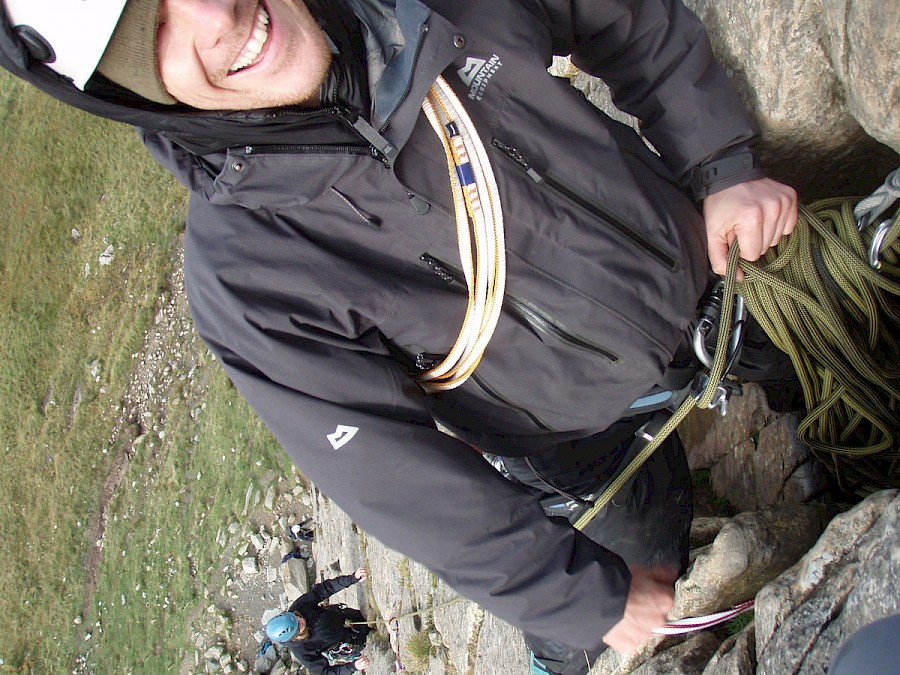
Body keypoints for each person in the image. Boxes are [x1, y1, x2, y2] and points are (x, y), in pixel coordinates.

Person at [0, 1, 798, 672]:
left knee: (823, 344)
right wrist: (581, 598)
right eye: (154, 30)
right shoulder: (246, 278)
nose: (217, 11)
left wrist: (721, 168)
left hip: (705, 272)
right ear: (125, 92)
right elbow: (398, 476)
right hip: (578, 437)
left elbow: (615, 15)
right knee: (610, 607)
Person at [264, 567, 372, 674]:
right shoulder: (302, 651)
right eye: (299, 626)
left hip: (345, 615)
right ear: (294, 637)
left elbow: (325, 589)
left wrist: (352, 578)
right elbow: (325, 673)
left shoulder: (298, 607)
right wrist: (353, 667)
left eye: (296, 617)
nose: (301, 620)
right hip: (352, 641)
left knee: (366, 617)